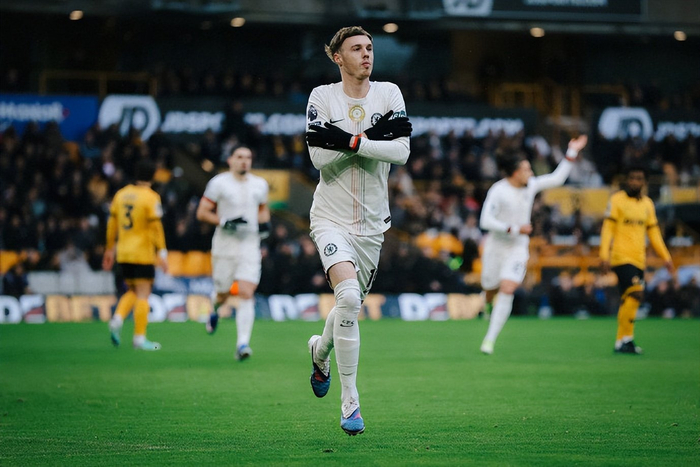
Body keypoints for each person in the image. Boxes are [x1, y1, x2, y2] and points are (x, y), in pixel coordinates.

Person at [304, 26, 412, 436]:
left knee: (349, 305)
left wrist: (348, 140)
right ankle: (350, 401)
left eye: (369, 48)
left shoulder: (389, 93)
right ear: (338, 57)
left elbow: (400, 151)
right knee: (348, 297)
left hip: (372, 226)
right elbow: (318, 156)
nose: (366, 54)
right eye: (356, 49)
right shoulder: (322, 96)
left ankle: (320, 353)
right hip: (329, 218)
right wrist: (372, 136)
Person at [479, 135, 588, 355]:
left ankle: (489, 340)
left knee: (508, 288)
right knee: (490, 288)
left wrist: (572, 151)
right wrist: (513, 228)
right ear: (515, 173)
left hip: (518, 248)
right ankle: (488, 303)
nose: (531, 173)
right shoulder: (498, 191)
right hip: (496, 247)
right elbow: (485, 221)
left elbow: (557, 178)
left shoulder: (531, 186)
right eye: (526, 169)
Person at [195, 146, 271, 361]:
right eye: (239, 157)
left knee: (246, 292)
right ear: (230, 160)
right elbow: (202, 212)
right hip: (225, 245)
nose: (244, 161)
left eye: (248, 157)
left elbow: (263, 209)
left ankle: (242, 344)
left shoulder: (260, 184)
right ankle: (214, 308)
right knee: (223, 293)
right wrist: (223, 221)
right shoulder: (218, 183)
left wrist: (265, 227)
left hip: (249, 245)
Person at [599, 166, 674, 354]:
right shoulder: (617, 200)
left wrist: (666, 257)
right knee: (636, 294)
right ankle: (625, 339)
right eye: (631, 178)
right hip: (621, 257)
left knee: (629, 299)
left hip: (639, 259)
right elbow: (608, 229)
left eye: (639, 178)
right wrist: (603, 255)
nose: (634, 182)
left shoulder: (647, 204)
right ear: (626, 180)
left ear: (644, 182)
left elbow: (654, 233)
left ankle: (623, 341)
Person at [103, 159, 168, 351]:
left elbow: (112, 224)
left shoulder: (121, 194)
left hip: (123, 252)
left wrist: (109, 248)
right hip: (142, 252)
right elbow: (156, 227)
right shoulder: (151, 197)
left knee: (132, 290)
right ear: (153, 176)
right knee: (143, 293)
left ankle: (117, 319)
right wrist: (162, 251)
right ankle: (139, 338)